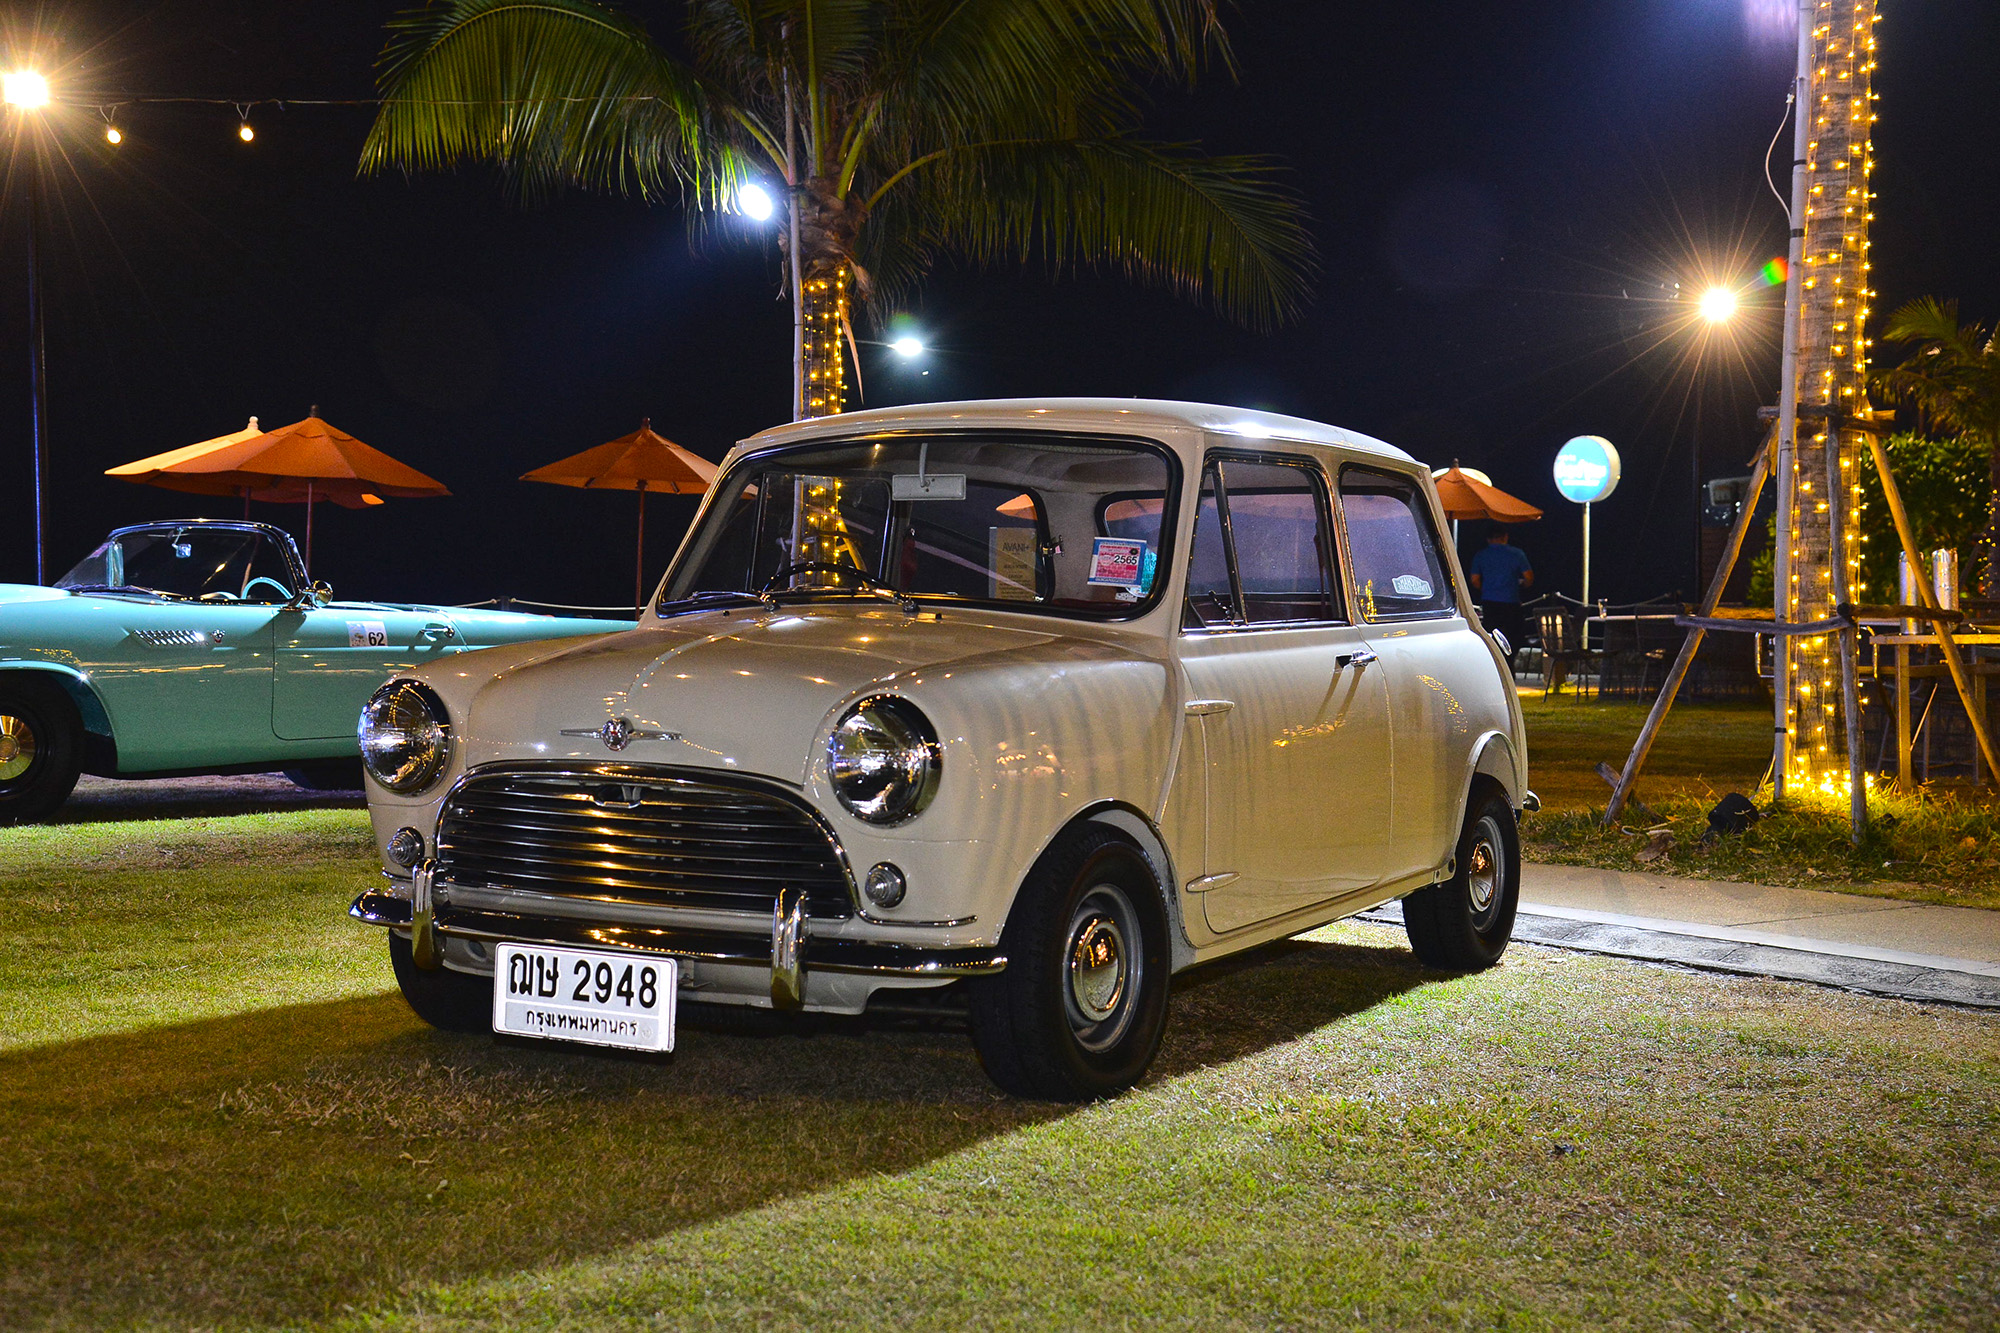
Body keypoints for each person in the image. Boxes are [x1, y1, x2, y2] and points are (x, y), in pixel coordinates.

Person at [1467, 526, 1533, 664]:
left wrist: (1486, 589)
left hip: (1490, 602)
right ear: (1505, 537)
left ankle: (1495, 664)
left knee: (1491, 636)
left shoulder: (1481, 555)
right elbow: (1529, 577)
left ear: (1488, 539)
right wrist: (1520, 586)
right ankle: (1509, 664)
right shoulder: (1517, 554)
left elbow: (1474, 579)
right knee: (1515, 636)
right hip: (1511, 602)